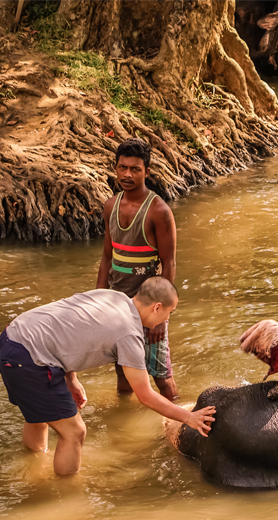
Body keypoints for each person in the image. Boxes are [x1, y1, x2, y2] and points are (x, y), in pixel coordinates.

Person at [0, 277, 216, 475]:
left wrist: (71, 380)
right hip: (29, 359)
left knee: (38, 417)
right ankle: (65, 496)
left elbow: (66, 324)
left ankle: (33, 468)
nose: (167, 319)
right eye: (170, 312)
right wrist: (188, 418)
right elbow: (145, 395)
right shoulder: (129, 333)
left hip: (11, 338)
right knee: (75, 432)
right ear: (157, 307)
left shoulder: (113, 296)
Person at [96, 138, 179, 400]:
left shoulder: (158, 210)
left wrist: (161, 317)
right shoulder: (110, 205)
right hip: (117, 306)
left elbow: (169, 264)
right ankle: (124, 429)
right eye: (122, 168)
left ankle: (179, 427)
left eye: (135, 169)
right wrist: (97, 302)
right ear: (115, 168)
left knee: (162, 378)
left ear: (147, 172)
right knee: (123, 375)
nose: (127, 174)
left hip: (148, 309)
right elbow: (107, 257)